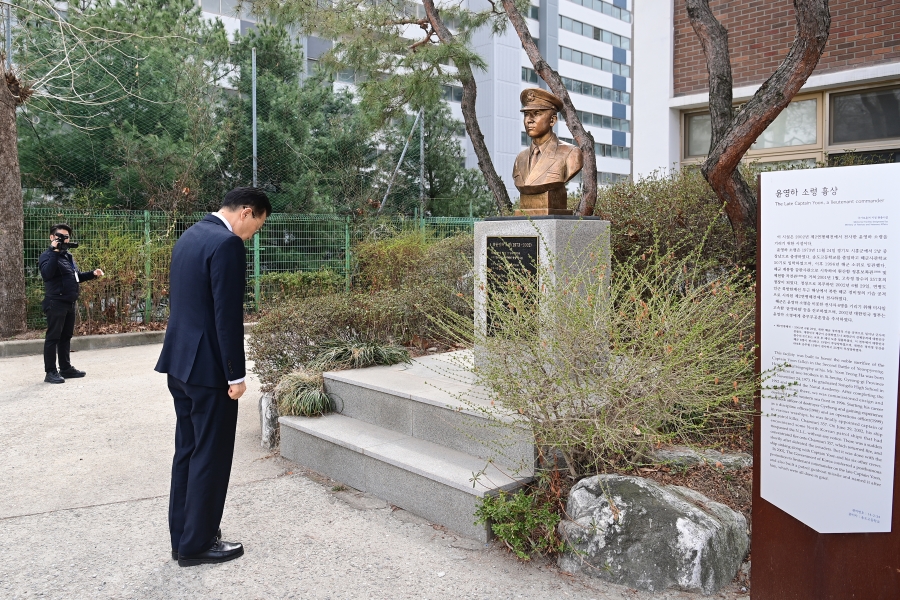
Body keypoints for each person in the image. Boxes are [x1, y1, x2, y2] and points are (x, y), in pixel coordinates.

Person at [155, 187, 271, 567]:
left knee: (187, 451)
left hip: (180, 362)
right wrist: (235, 374)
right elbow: (227, 316)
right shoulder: (226, 244)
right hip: (209, 371)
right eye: (257, 226)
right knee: (211, 455)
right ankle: (198, 544)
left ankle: (183, 537)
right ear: (246, 212)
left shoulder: (191, 235)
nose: (252, 235)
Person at [38, 223, 104, 384]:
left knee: (66, 337)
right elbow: (47, 274)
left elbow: (76, 277)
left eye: (66, 237)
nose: (64, 239)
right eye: (60, 236)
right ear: (52, 237)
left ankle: (65, 369)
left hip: (69, 302)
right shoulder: (47, 256)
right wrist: (54, 251)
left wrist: (92, 274)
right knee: (53, 337)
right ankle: (50, 372)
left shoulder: (68, 256)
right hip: (55, 302)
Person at [512, 88, 583, 208]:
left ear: (552, 120)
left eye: (537, 113)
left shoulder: (571, 153)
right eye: (526, 115)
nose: (529, 120)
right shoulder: (520, 159)